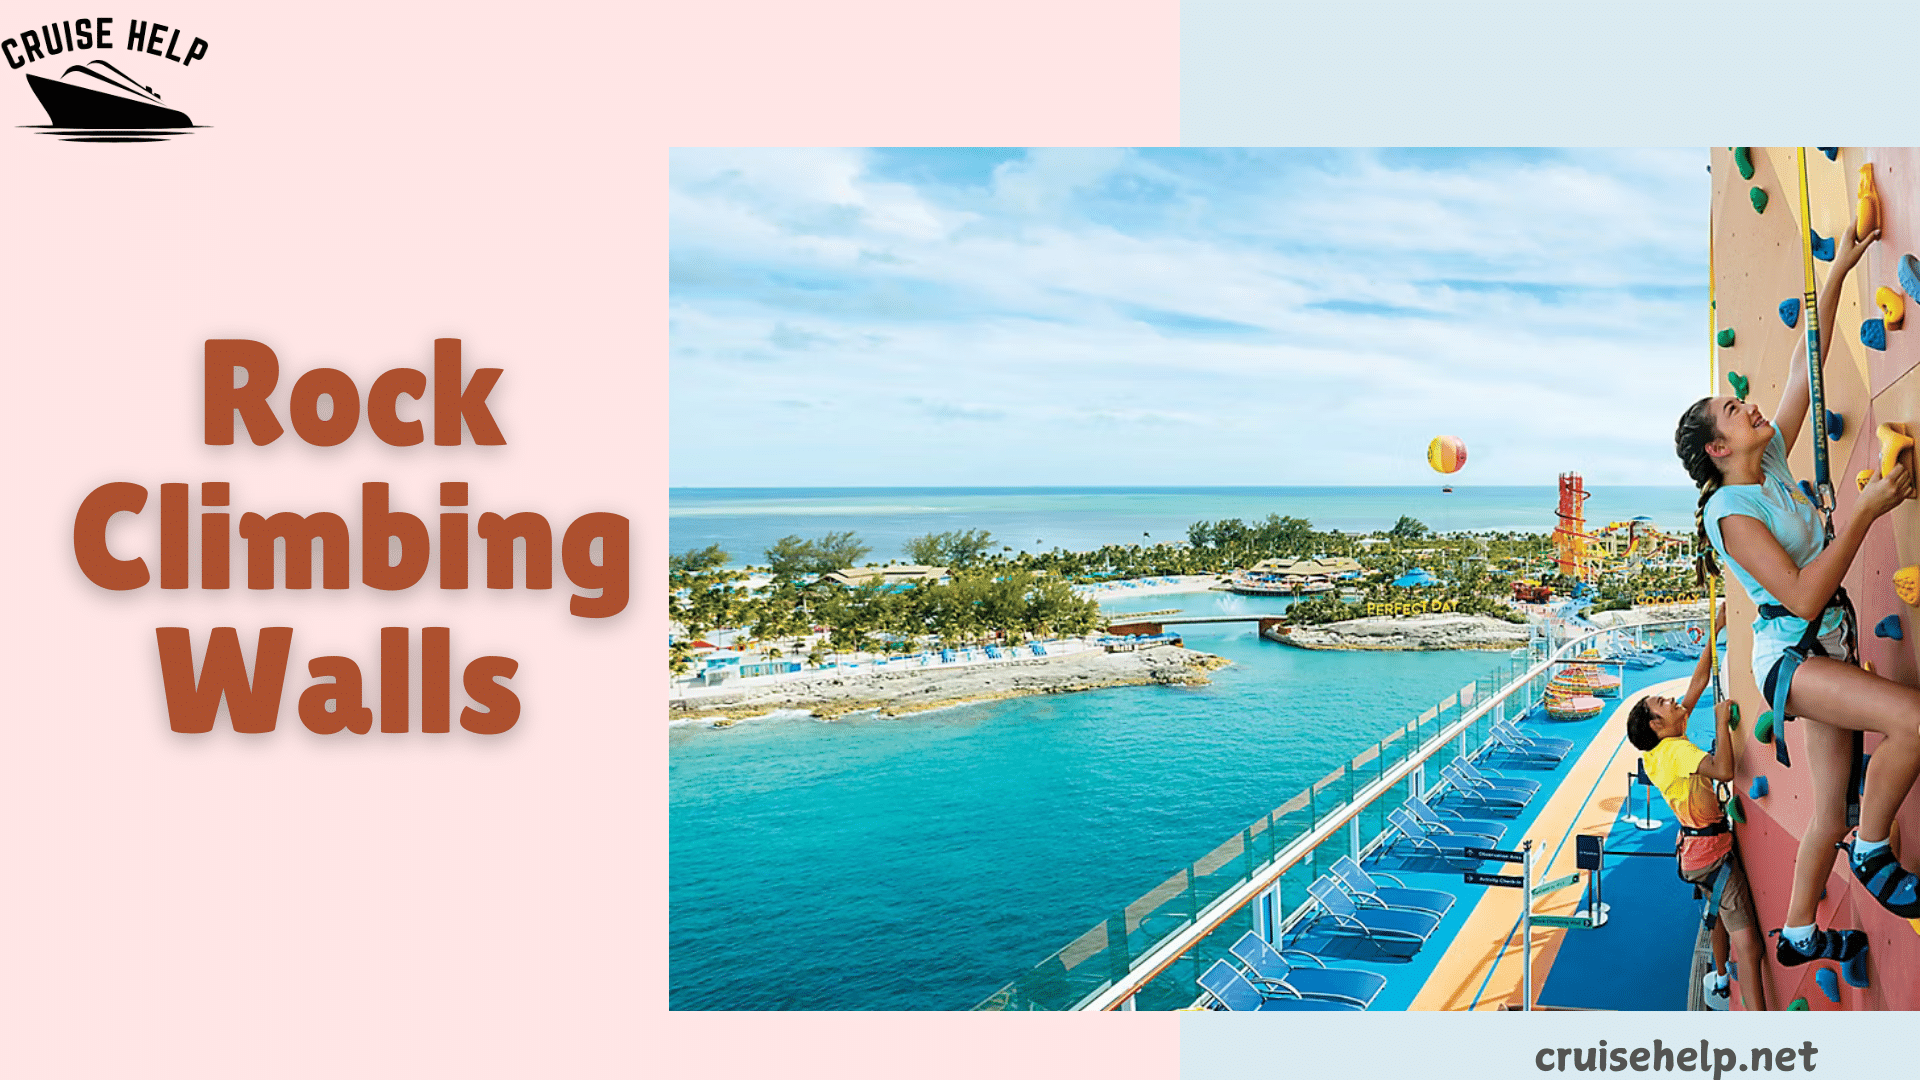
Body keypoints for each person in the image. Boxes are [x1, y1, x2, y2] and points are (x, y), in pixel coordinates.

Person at [1672, 215, 1920, 976]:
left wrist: (1840, 268)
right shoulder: (1730, 513)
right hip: (1795, 657)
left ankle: (1799, 929)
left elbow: (1799, 376)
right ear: (1719, 448)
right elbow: (1805, 595)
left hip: (1826, 641)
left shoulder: (1769, 454)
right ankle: (1874, 851)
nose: (1746, 405)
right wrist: (1871, 509)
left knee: (1829, 798)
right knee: (1914, 720)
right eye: (1731, 411)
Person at [1625, 603, 1767, 1010]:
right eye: (1664, 704)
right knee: (1750, 944)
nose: (1674, 702)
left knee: (1717, 913)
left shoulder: (1657, 749)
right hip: (1711, 853)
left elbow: (1699, 680)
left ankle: (1721, 978)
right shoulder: (1675, 752)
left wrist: (1716, 627)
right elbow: (1723, 770)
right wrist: (1720, 721)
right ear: (1656, 725)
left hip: (1695, 851)